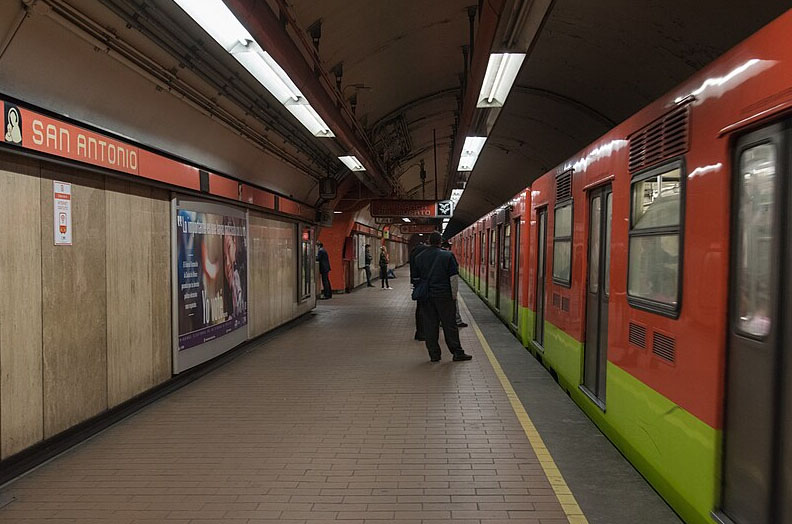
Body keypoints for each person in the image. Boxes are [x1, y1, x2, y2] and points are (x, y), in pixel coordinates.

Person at [414, 232, 472, 362]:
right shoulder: (447, 255)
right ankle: (457, 352)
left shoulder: (419, 257)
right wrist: (454, 296)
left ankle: (434, 355)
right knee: (449, 325)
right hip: (444, 295)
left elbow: (416, 279)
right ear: (440, 242)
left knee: (430, 325)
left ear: (429, 241)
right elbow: (453, 278)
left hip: (427, 296)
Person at [442, 241, 467, 328]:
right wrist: (454, 293)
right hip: (447, 288)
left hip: (433, 289)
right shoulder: (449, 256)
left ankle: (441, 322)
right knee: (453, 305)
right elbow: (454, 276)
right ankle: (457, 321)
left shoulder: (427, 256)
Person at [409, 240, 429, 340]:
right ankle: (423, 333)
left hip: (418, 284)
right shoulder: (426, 253)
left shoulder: (414, 252)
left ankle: (419, 332)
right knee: (425, 309)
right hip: (426, 285)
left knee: (419, 308)